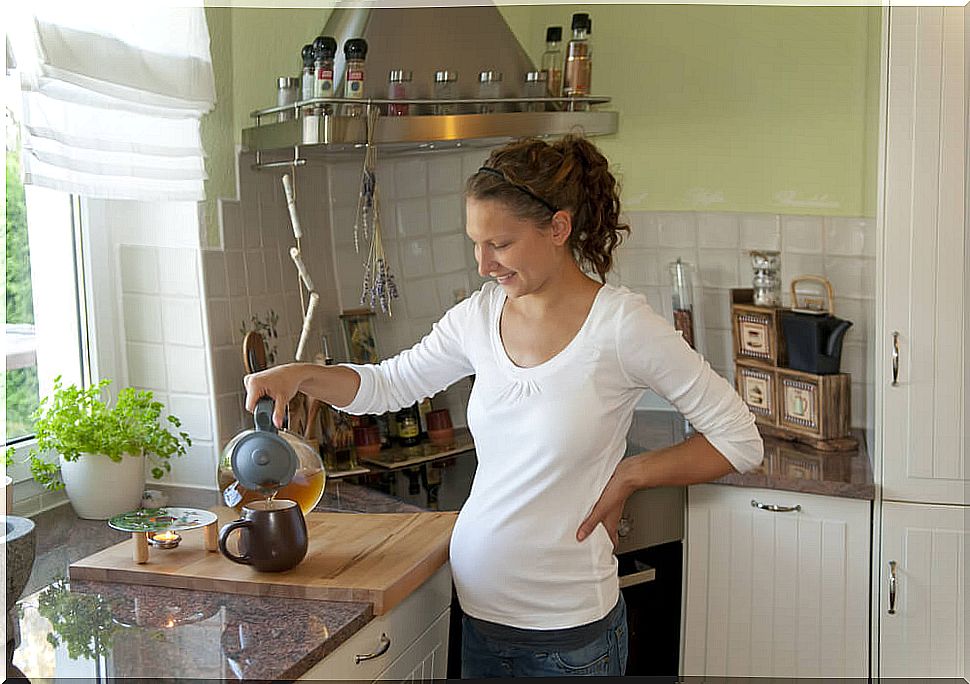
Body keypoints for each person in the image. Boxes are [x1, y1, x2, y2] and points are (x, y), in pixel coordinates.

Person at [243, 135, 764, 678]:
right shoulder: (479, 315)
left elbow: (739, 440)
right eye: (476, 243)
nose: (484, 263)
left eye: (501, 244)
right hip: (480, 623)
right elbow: (387, 384)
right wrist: (301, 375)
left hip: (570, 641)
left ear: (558, 229)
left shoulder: (621, 326)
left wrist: (632, 473)